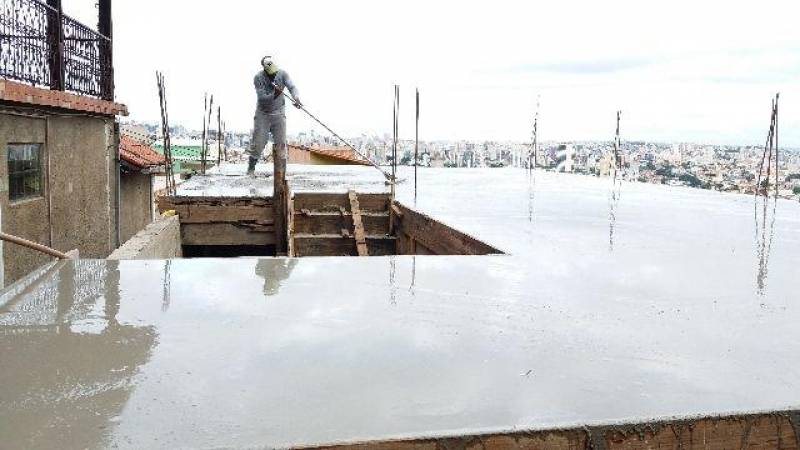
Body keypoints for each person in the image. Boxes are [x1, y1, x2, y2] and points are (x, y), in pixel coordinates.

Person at [247, 55, 302, 178]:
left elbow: (292, 86)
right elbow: (262, 98)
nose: (274, 75)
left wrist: (296, 97)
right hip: (263, 114)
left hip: (279, 113)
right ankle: (251, 169)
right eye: (271, 73)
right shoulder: (258, 78)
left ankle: (282, 172)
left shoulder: (282, 73)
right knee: (258, 142)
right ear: (265, 70)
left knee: (281, 143)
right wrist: (275, 94)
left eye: (275, 72)